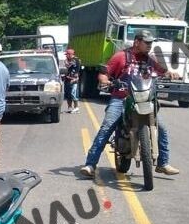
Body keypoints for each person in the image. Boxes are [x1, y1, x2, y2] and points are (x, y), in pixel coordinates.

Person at [79, 30, 181, 178]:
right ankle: (90, 164)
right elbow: (104, 73)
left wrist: (171, 73)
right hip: (121, 98)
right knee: (107, 127)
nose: (149, 46)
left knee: (162, 128)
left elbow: (162, 71)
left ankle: (163, 163)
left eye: (151, 43)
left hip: (144, 100)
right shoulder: (121, 56)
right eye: (146, 43)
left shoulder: (150, 60)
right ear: (137, 42)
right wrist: (104, 80)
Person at [63, 48, 81, 113]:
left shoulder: (76, 60)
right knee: (68, 94)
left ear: (70, 54)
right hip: (67, 78)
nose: (66, 56)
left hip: (73, 79)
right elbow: (67, 66)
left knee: (73, 93)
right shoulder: (68, 60)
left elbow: (68, 65)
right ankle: (69, 107)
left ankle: (76, 107)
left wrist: (74, 79)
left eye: (67, 54)